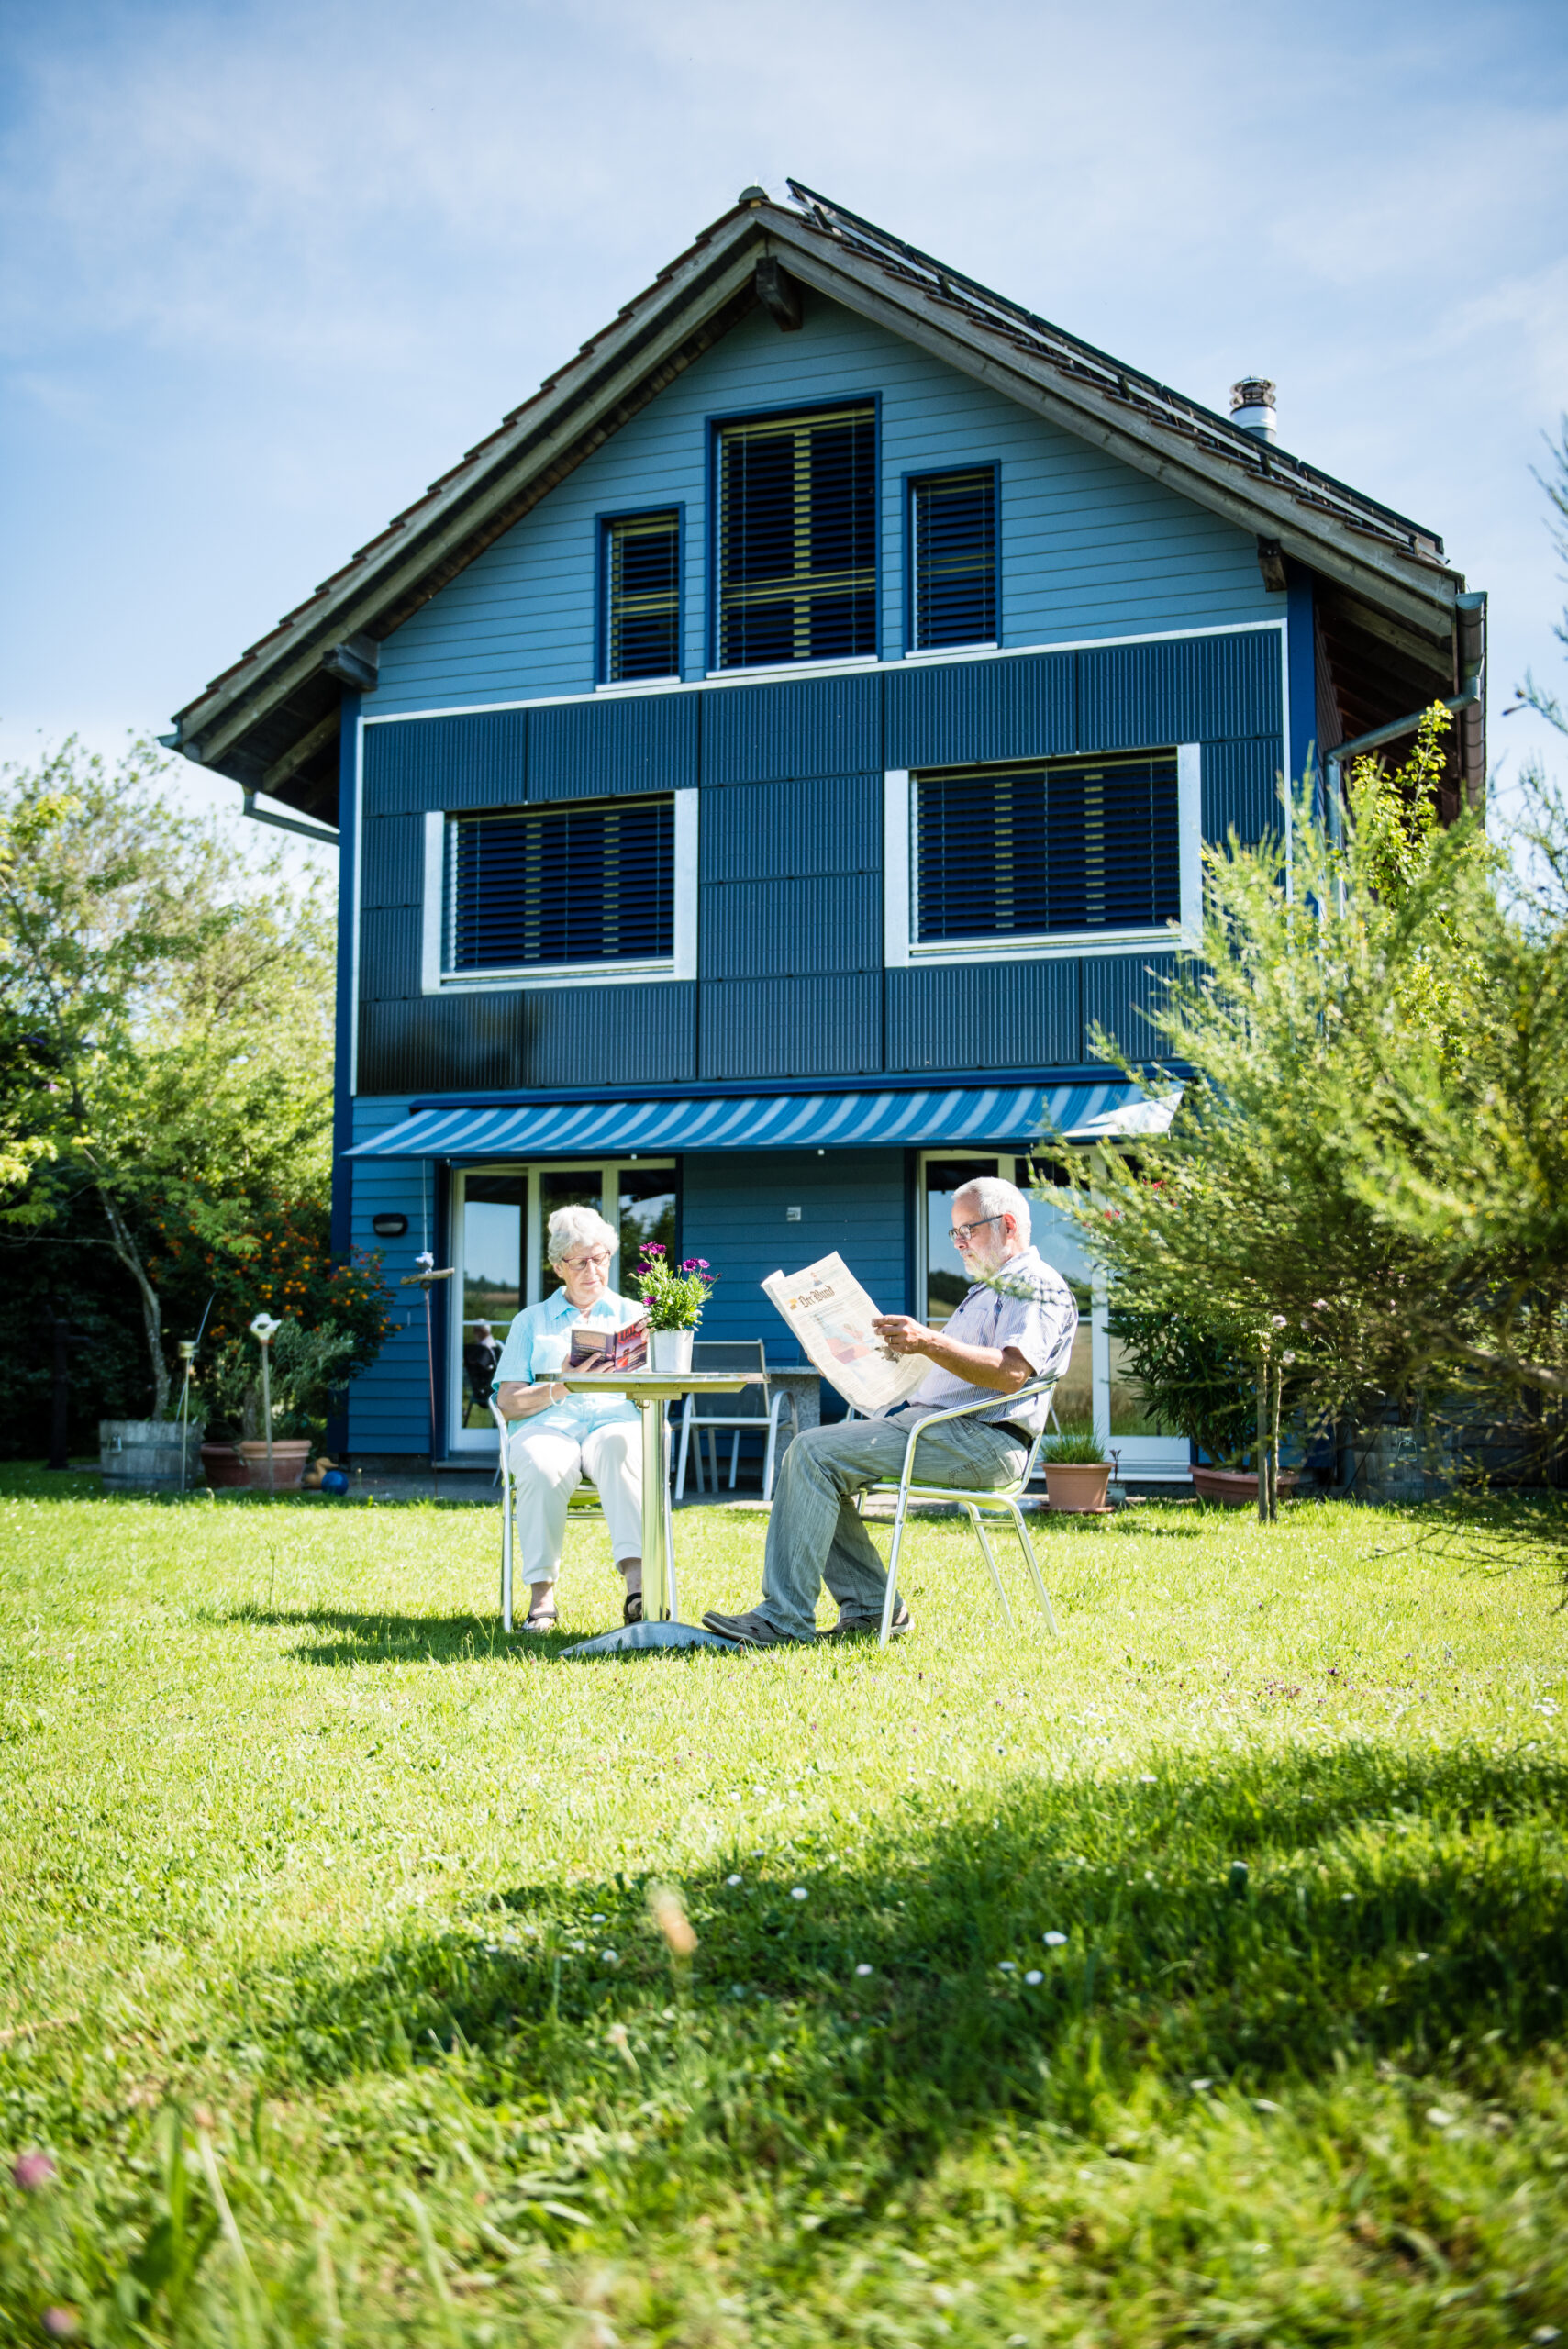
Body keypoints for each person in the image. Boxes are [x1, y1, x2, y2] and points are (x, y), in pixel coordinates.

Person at [703, 1175, 1076, 1647]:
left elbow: (1010, 1372)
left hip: (980, 1440)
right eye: (954, 1234)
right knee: (814, 1461)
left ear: (1006, 1225)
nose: (959, 1243)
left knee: (811, 1454)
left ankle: (784, 1619)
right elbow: (958, 1371)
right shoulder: (989, 1288)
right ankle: (873, 1608)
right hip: (939, 1428)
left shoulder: (1034, 1285)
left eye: (969, 1231)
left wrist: (928, 1340)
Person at [493, 1205, 647, 1635]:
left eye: (600, 1258)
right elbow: (507, 1403)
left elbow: (655, 1390)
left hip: (613, 1423)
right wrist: (562, 1383)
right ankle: (541, 1599)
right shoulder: (531, 1321)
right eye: (580, 1261)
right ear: (559, 1267)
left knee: (624, 1444)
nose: (592, 1269)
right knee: (541, 1462)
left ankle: (637, 1590)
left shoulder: (634, 1316)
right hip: (549, 1425)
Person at [462, 1320, 502, 1425]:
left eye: (476, 1330)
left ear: (483, 1331)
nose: (474, 1333)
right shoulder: (492, 1346)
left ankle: (462, 1410)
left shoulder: (484, 1349)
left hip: (485, 1389)